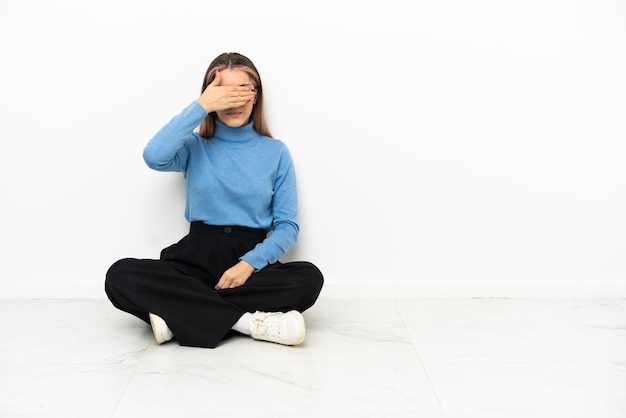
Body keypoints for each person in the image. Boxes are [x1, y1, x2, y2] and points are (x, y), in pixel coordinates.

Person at [105, 52, 324, 349]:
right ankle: (249, 323)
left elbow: (287, 226)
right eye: (223, 92)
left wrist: (249, 264)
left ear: (256, 96)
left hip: (250, 259)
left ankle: (178, 314)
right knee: (119, 275)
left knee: (308, 278)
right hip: (194, 257)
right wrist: (201, 106)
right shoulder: (195, 146)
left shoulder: (276, 152)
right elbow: (153, 156)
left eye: (242, 91)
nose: (233, 102)